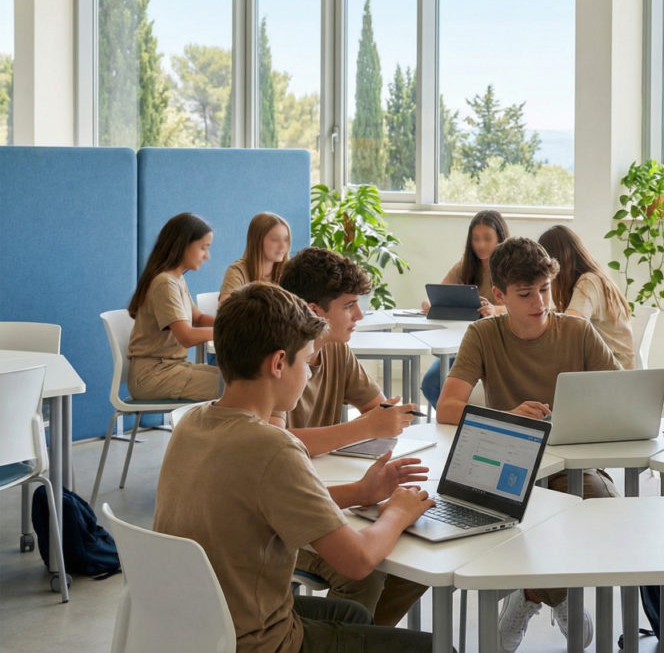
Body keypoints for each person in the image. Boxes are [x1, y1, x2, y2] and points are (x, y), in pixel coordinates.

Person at [154, 282, 438, 652]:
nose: (307, 375)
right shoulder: (273, 447)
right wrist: (397, 512)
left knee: (353, 616)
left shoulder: (192, 423)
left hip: (198, 622)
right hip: (258, 640)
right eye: (305, 362)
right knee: (438, 646)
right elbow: (358, 561)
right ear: (277, 364)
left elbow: (260, 501)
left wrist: (361, 493)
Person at [435, 237, 620, 651]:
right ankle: (555, 592)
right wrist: (506, 417)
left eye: (545, 290)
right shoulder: (483, 334)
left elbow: (622, 393)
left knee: (606, 511)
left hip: (573, 462)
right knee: (531, 522)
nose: (540, 302)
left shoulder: (577, 330)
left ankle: (535, 592)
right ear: (499, 295)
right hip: (508, 467)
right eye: (525, 294)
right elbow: (446, 407)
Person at [275, 247, 425, 625]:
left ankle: (366, 636)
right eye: (349, 306)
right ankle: (359, 638)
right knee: (368, 566)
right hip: (288, 518)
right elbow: (276, 443)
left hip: (323, 491)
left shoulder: (337, 352)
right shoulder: (277, 368)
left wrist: (388, 416)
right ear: (314, 311)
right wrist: (365, 427)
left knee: (413, 553)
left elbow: (377, 409)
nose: (359, 315)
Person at [126, 212, 221, 400]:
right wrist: (228, 330)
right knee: (242, 389)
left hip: (168, 369)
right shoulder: (164, 283)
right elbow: (186, 336)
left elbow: (199, 319)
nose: (207, 256)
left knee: (241, 381)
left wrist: (233, 323)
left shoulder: (177, 279)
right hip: (153, 376)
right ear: (183, 245)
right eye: (203, 247)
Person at [420, 210, 510, 407]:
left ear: (500, 239)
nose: (481, 244)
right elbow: (438, 291)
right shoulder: (466, 266)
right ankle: (462, 424)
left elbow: (524, 306)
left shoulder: (512, 268)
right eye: (476, 239)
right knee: (431, 384)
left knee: (434, 384)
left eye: (487, 238)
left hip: (500, 346)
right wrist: (429, 303)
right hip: (465, 345)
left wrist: (495, 310)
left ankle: (469, 424)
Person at [538, 225, 636, 368]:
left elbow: (571, 326)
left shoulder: (589, 282)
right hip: (616, 368)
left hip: (614, 373)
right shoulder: (595, 277)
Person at [219, 212, 292, 302]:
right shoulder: (237, 271)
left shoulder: (289, 272)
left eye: (286, 239)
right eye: (275, 239)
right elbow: (226, 311)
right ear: (257, 241)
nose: (283, 246)